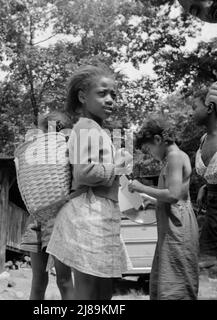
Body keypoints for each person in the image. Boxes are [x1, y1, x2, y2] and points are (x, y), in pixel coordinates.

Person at [46, 65, 132, 300]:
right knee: (88, 294)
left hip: (100, 213)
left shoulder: (96, 129)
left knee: (103, 294)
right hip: (88, 214)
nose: (110, 99)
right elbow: (84, 173)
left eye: (113, 94)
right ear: (83, 96)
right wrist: (119, 167)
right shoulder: (85, 127)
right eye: (102, 93)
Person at [128, 116, 199, 300]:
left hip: (177, 231)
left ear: (158, 140)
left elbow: (174, 195)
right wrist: (151, 199)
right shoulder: (172, 158)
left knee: (175, 288)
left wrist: (141, 187)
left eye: (149, 149)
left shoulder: (175, 157)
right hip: (170, 230)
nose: (150, 154)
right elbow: (175, 195)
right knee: (165, 283)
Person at [20, 110, 74, 300]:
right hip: (45, 218)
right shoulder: (45, 152)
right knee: (57, 279)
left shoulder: (65, 150)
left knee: (48, 280)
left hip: (48, 218)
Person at [193, 87, 217, 300]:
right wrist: (206, 186)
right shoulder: (203, 139)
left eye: (194, 107)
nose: (191, 112)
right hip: (215, 209)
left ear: (209, 107)